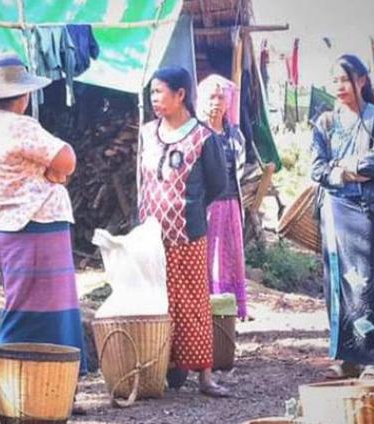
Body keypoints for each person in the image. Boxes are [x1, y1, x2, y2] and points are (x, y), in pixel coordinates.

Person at [0, 52, 88, 376]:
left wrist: (51, 172)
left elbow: (55, 166)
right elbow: (67, 160)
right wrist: (52, 174)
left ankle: (33, 385)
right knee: (44, 312)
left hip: (14, 226)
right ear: (23, 94)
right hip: (36, 225)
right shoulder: (19, 126)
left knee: (26, 306)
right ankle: (39, 381)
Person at [138, 66, 230, 397]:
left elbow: (218, 183)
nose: (154, 99)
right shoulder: (148, 132)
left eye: (159, 92)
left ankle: (205, 376)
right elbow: (144, 180)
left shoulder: (203, 137)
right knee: (157, 301)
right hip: (151, 234)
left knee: (193, 302)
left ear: (180, 95)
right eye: (151, 93)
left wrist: (189, 206)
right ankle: (163, 368)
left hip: (188, 232)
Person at [311, 55, 374, 380]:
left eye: (345, 79)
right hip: (334, 210)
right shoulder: (325, 123)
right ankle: (344, 357)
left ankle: (373, 360)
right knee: (337, 283)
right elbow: (316, 168)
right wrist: (346, 173)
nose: (339, 87)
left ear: (361, 80)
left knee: (369, 282)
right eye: (335, 81)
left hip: (367, 209)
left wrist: (341, 168)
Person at [197, 74, 251, 321]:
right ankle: (205, 308)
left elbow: (238, 170)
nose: (217, 102)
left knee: (229, 256)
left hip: (230, 204)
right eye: (212, 97)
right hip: (205, 206)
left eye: (221, 97)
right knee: (207, 257)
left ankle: (229, 312)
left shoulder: (235, 136)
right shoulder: (196, 134)